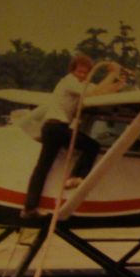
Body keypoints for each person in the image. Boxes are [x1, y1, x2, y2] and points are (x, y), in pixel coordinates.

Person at [20, 54, 125, 219]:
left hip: (52, 128)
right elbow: (93, 92)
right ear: (73, 70)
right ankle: (76, 177)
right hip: (56, 127)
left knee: (43, 167)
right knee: (92, 146)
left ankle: (29, 207)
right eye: (79, 72)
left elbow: (99, 91)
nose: (82, 75)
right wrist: (112, 74)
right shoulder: (69, 82)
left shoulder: (80, 84)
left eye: (85, 73)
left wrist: (117, 85)